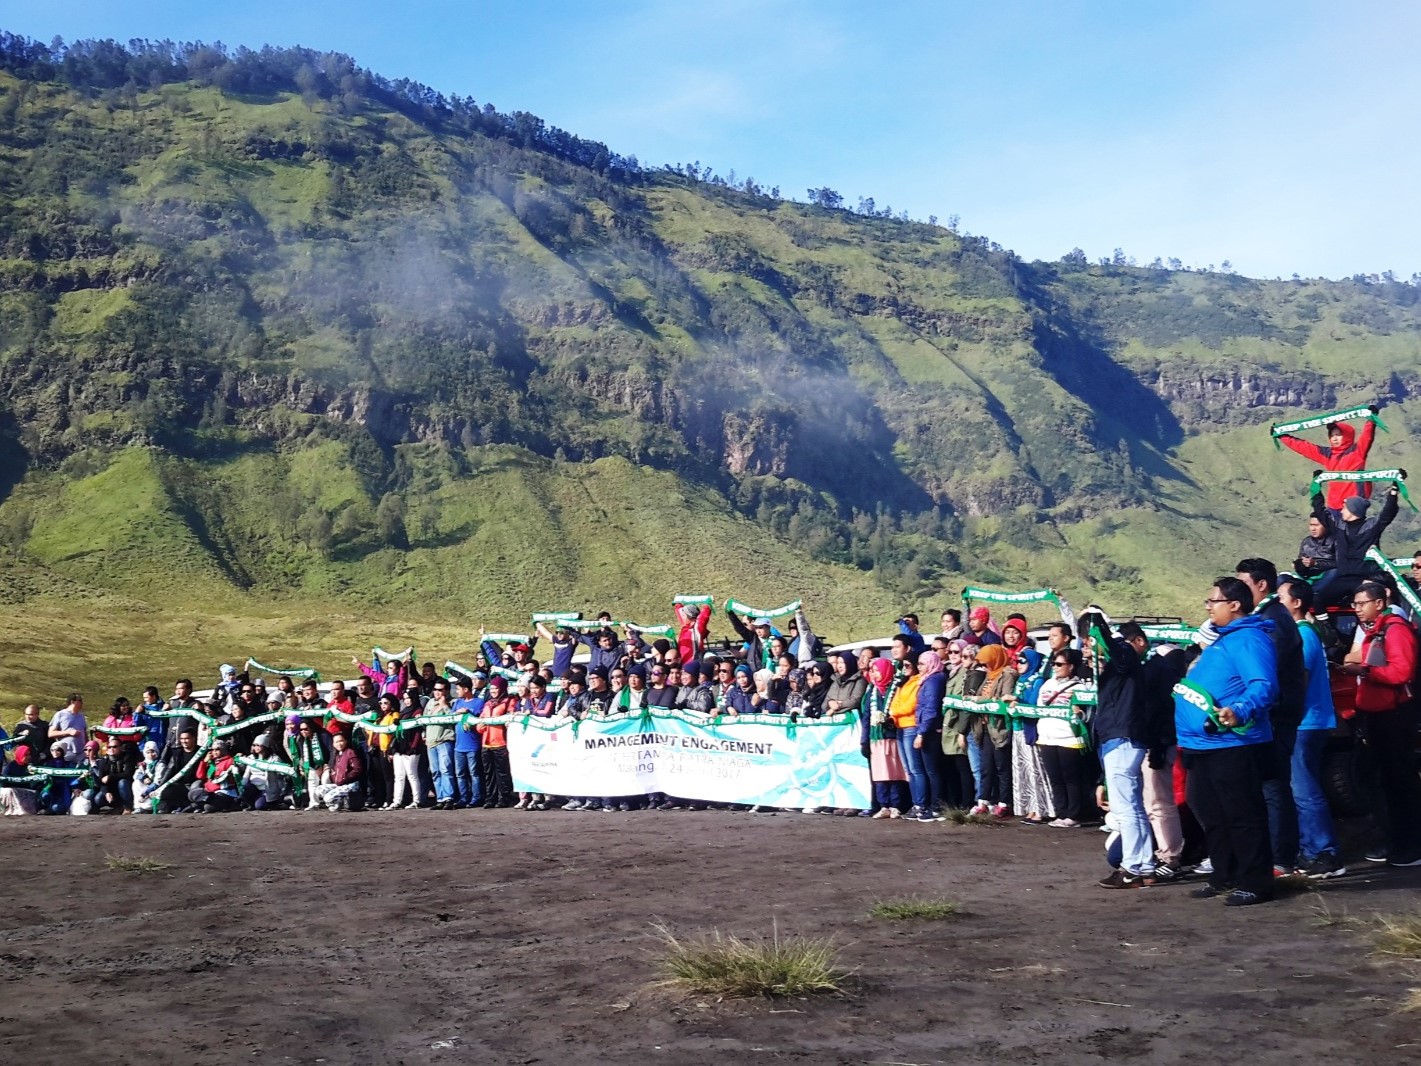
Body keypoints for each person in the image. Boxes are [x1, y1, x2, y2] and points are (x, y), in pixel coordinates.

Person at [1175, 577, 1278, 905]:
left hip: (1232, 744)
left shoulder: (1248, 639)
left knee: (1242, 814)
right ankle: (1225, 874)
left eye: (1213, 601)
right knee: (1211, 812)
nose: (1208, 607)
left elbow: (1263, 685)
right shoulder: (1222, 639)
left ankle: (1256, 882)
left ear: (1234, 605)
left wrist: (1239, 709)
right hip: (1202, 745)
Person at [1342, 581, 1421, 867]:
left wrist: (1365, 670)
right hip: (1375, 714)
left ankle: (1411, 845)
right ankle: (1395, 837)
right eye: (1355, 604)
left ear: (1379, 603)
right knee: (1378, 780)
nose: (1357, 609)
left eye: (1362, 603)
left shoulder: (1395, 630)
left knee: (1399, 781)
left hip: (1393, 716)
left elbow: (1401, 672)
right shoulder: (1376, 630)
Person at [1236, 558, 1306, 875]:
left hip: (1277, 712)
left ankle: (1282, 858)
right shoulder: (1265, 616)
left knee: (1274, 787)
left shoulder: (1273, 618)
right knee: (1266, 786)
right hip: (1270, 711)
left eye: (1244, 584)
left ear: (1261, 584)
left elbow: (1267, 668)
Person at [1081, 609, 1156, 889]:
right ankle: (1145, 865)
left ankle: (1132, 867)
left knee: (1126, 809)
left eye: (1089, 644)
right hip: (1119, 738)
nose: (1088, 652)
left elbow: (1120, 655)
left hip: (1123, 738)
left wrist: (1099, 626)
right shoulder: (1113, 668)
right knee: (1133, 808)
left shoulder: (1122, 652)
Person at [1277, 578, 1344, 878]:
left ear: (1297, 602)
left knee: (1305, 790)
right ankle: (1311, 850)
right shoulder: (1304, 633)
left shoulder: (1303, 636)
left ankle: (1325, 853)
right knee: (1300, 789)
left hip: (1306, 721)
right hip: (1308, 720)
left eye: (1280, 598)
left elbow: (1298, 681)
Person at [1311, 483, 1400, 609]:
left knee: (1366, 605)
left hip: (1364, 579)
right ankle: (1328, 628)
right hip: (1342, 579)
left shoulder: (1371, 526)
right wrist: (1316, 488)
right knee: (1317, 600)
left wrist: (1393, 493)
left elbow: (1388, 513)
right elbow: (1320, 512)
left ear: (1353, 511)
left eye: (1345, 508)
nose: (1341, 511)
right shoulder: (1339, 526)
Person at [1277, 412, 1378, 517]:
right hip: (1333, 508)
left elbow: (1367, 437)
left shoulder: (1357, 452)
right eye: (1332, 435)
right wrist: (1282, 436)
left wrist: (1371, 420)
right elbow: (1304, 447)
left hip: (1353, 508)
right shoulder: (1329, 455)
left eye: (1338, 435)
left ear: (1347, 435)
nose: (1334, 438)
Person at [1035, 648, 1090, 827]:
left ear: (1071, 666)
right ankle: (1061, 812)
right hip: (1047, 737)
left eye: (1060, 664)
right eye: (1054, 664)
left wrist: (1079, 713)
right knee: (1055, 778)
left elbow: (1087, 716)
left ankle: (1073, 815)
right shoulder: (1047, 685)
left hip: (1069, 738)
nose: (1056, 667)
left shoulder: (1080, 688)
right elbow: (1039, 708)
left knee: (1071, 778)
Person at [967, 646, 1015, 818]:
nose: (985, 666)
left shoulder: (1007, 674)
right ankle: (983, 801)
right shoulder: (989, 675)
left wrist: (977, 700)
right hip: (986, 727)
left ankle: (1003, 803)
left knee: (1002, 767)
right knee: (986, 767)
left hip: (999, 727)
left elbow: (1002, 698)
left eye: (987, 662)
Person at [861, 657, 908, 818]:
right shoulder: (871, 692)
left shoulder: (895, 689)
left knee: (895, 773)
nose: (874, 674)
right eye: (872, 671)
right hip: (877, 739)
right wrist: (864, 741)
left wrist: (890, 721)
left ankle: (896, 805)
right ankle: (883, 805)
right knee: (880, 773)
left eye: (877, 670)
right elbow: (866, 717)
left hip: (892, 736)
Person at [477, 677, 516, 809]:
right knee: (489, 773)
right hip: (486, 743)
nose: (493, 691)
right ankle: (490, 798)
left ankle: (503, 798)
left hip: (500, 742)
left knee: (502, 772)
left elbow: (511, 717)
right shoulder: (488, 703)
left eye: (496, 688)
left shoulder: (509, 701)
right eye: (492, 688)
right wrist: (480, 726)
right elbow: (481, 721)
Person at [422, 679, 458, 811]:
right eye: (435, 689)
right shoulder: (430, 703)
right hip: (431, 741)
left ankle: (449, 798)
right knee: (435, 771)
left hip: (445, 739)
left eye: (440, 690)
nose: (437, 692)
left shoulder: (453, 702)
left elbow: (454, 718)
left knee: (446, 769)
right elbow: (424, 719)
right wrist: (424, 733)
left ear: (447, 691)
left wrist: (445, 706)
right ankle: (440, 798)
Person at [451, 673, 486, 809]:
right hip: (458, 745)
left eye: (459, 689)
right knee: (460, 774)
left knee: (474, 773)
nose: (457, 692)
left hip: (472, 744)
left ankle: (476, 797)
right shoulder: (457, 703)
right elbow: (452, 717)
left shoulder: (478, 702)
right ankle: (464, 797)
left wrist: (468, 712)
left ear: (466, 689)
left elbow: (480, 718)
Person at [286, 719, 329, 811]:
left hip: (327, 764)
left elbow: (332, 751)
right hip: (313, 766)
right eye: (301, 730)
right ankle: (314, 803)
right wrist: (303, 767)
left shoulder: (323, 736)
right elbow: (303, 756)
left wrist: (327, 765)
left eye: (306, 729)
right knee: (311, 780)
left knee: (326, 779)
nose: (303, 731)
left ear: (311, 728)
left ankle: (328, 802)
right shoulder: (301, 740)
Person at [240, 737, 292, 810]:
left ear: (265, 745)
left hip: (268, 788)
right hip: (254, 786)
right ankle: (250, 805)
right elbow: (246, 773)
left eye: (258, 745)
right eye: (254, 745)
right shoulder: (251, 758)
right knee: (245, 788)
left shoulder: (274, 758)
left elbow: (281, 773)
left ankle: (277, 803)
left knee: (260, 806)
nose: (256, 747)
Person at [318, 732, 365, 811]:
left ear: (346, 741)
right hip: (339, 784)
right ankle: (339, 802)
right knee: (319, 790)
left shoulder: (350, 752)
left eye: (341, 741)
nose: (339, 744)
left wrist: (345, 778)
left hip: (351, 784)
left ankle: (341, 803)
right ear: (333, 744)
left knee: (328, 798)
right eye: (336, 742)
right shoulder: (336, 754)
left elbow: (358, 769)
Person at [48, 693, 87, 763]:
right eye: (80, 701)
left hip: (81, 753)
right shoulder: (60, 714)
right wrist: (69, 732)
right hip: (67, 753)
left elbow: (85, 733)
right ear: (72, 702)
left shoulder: (81, 716)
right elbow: (51, 733)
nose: (82, 703)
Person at [1295, 515, 1336, 580]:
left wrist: (1315, 563)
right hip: (1308, 574)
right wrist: (1297, 564)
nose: (1313, 529)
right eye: (1311, 525)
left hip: (1326, 575)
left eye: (1316, 525)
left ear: (1326, 525)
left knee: (1334, 573)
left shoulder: (1335, 541)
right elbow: (1301, 560)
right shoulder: (1306, 542)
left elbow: (1340, 564)